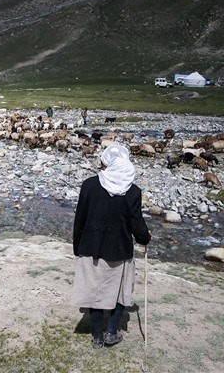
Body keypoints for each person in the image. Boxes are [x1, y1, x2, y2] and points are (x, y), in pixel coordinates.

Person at [71, 144, 151, 349]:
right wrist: (144, 238)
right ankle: (112, 332)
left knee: (94, 292)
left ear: (106, 161)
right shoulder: (132, 191)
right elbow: (136, 222)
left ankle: (97, 336)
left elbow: (80, 218)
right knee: (120, 292)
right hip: (119, 250)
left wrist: (77, 245)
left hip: (92, 248)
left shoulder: (89, 185)